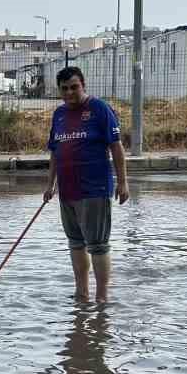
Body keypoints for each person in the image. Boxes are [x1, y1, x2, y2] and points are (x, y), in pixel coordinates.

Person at [45, 66, 129, 302]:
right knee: (75, 243)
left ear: (83, 85)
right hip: (67, 190)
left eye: (74, 87)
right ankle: (81, 293)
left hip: (94, 189)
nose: (70, 93)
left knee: (98, 245)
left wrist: (122, 183)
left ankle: (101, 298)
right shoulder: (59, 115)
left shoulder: (99, 109)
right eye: (65, 89)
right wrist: (50, 185)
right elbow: (55, 151)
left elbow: (116, 146)